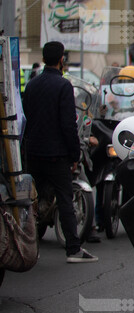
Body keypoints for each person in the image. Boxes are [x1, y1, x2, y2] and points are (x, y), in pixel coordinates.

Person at [21, 41, 98, 263]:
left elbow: (26, 118)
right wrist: (74, 155)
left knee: (32, 199)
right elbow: (68, 124)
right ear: (61, 60)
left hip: (33, 152)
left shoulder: (32, 85)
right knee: (65, 199)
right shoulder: (63, 86)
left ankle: (27, 243)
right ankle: (74, 249)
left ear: (44, 59)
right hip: (56, 154)